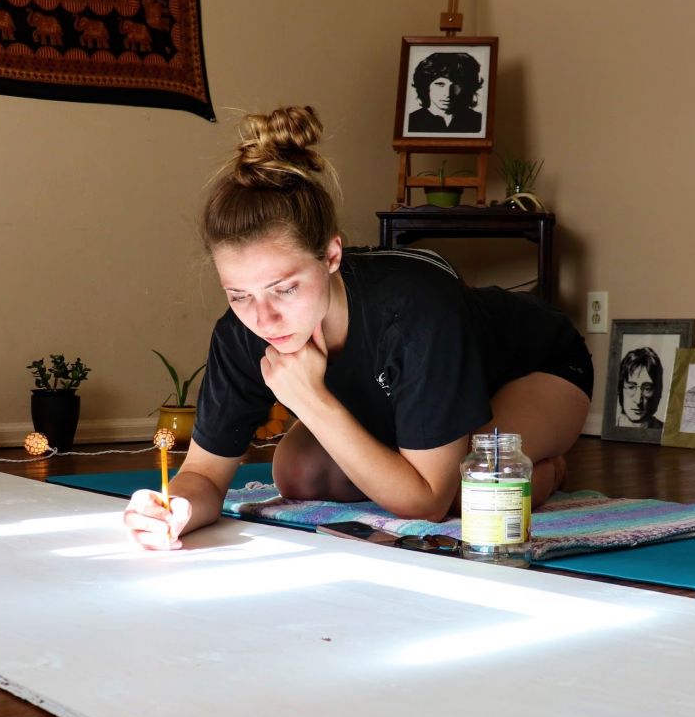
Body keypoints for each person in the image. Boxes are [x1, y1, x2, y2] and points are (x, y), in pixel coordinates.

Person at [124, 105, 592, 551]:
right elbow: (203, 475)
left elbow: (426, 503)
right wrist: (176, 508)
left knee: (461, 495)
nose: (263, 318)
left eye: (284, 289)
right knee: (297, 473)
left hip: (531, 370)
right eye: (239, 294)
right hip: (405, 401)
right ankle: (421, 449)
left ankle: (546, 470)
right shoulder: (240, 331)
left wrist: (311, 399)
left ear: (331, 255)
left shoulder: (415, 305)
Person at [405, 52, 484, 133]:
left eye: (456, 85)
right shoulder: (410, 122)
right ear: (425, 86)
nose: (447, 93)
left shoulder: (480, 121)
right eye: (440, 84)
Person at [612, 345, 664, 429]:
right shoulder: (609, 428)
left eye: (647, 389)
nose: (638, 400)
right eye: (631, 387)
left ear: (658, 392)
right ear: (620, 390)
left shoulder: (666, 431)